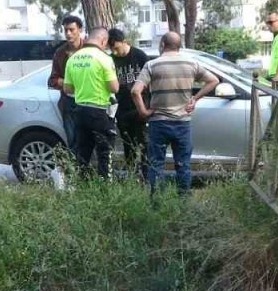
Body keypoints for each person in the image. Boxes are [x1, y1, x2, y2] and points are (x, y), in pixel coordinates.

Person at [131, 31, 218, 195]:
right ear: (179, 46)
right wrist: (195, 98)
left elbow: (136, 91)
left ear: (162, 44)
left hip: (158, 123)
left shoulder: (152, 65)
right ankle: (183, 200)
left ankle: (156, 201)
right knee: (183, 164)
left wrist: (143, 112)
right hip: (182, 123)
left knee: (156, 164)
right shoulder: (192, 64)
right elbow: (213, 80)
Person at [62, 27, 120, 178]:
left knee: (82, 155)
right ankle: (105, 191)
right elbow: (114, 87)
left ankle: (82, 187)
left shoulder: (73, 58)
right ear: (103, 40)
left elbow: (67, 89)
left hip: (80, 111)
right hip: (99, 112)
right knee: (104, 154)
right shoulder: (104, 58)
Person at [107, 28, 150, 176]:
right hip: (123, 110)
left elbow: (150, 82)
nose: (115, 51)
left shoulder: (139, 56)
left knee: (145, 145)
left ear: (124, 42)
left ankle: (146, 176)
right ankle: (132, 176)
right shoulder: (110, 60)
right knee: (128, 147)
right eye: (111, 48)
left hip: (141, 108)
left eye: (116, 47)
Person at [48, 15, 85, 152]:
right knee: (73, 141)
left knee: (92, 140)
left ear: (79, 29)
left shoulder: (89, 48)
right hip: (69, 103)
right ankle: (77, 172)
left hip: (90, 100)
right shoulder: (60, 52)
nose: (68, 33)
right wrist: (65, 82)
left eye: (72, 29)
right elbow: (52, 80)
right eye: (66, 30)